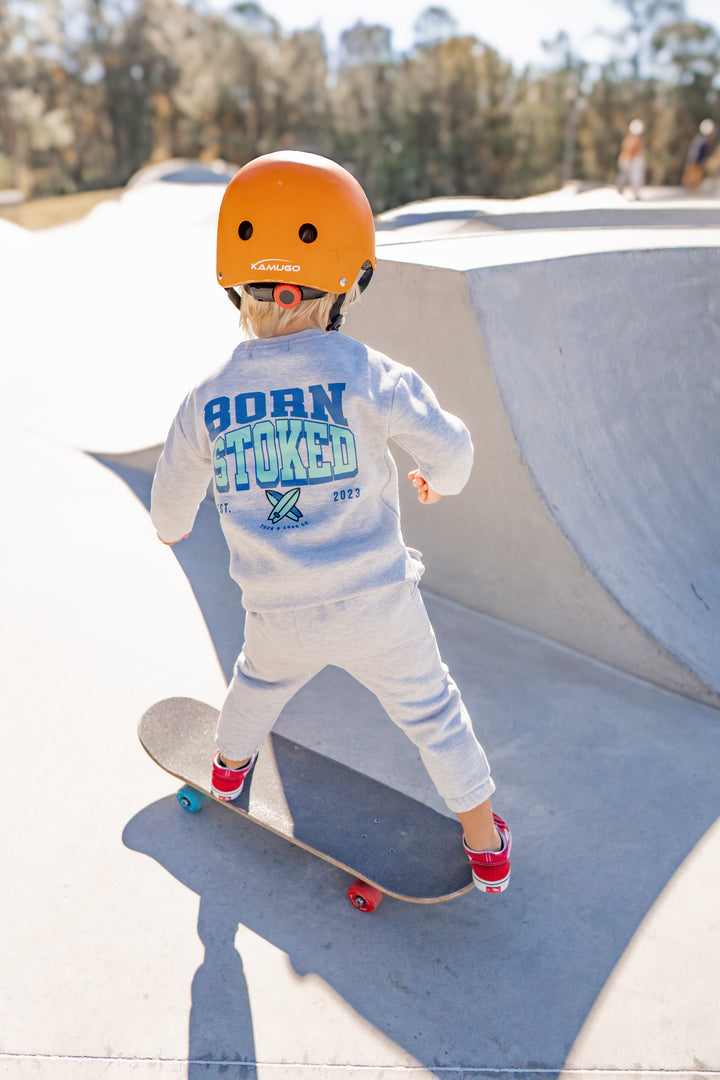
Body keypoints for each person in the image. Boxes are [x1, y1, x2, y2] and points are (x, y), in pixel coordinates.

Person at [150, 151, 511, 894]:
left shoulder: (209, 397)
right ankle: (486, 844)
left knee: (254, 684)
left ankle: (227, 770)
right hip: (381, 606)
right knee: (434, 713)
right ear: (350, 279)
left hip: (278, 611)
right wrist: (438, 482)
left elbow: (170, 500)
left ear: (234, 285)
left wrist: (172, 527)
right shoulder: (367, 371)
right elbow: (455, 451)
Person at [616, 118, 646, 199]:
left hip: (629, 160)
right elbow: (630, 150)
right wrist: (628, 160)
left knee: (628, 176)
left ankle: (626, 190)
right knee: (632, 177)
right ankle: (631, 192)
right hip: (630, 160)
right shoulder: (632, 140)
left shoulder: (631, 139)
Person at [682, 119, 716, 189]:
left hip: (695, 162)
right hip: (695, 163)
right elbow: (696, 154)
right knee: (692, 179)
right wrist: (698, 163)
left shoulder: (700, 140)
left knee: (694, 180)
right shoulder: (702, 142)